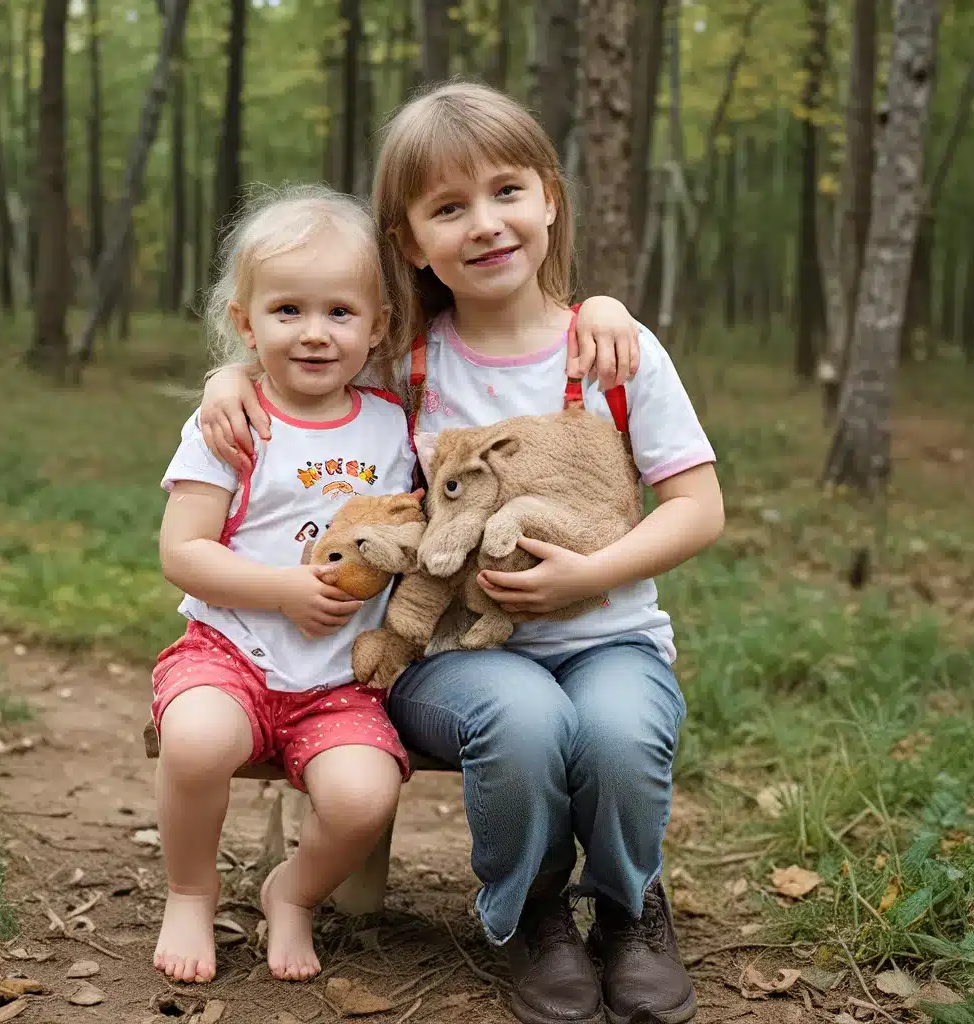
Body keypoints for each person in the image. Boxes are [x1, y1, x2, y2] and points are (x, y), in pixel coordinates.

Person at [200, 83, 724, 1024]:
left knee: (614, 731)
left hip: (612, 636)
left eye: (506, 192)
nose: (485, 225)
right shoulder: (405, 359)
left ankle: (628, 907)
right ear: (409, 242)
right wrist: (227, 376)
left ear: (550, 198)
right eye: (449, 208)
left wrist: (592, 574)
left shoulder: (613, 349)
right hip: (451, 658)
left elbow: (697, 507)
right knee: (525, 724)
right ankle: (529, 914)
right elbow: (299, 349)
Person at [151, 186, 418, 986]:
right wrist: (278, 591)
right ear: (245, 323)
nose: (314, 332)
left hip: (340, 682)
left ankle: (292, 894)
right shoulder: (231, 424)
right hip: (230, 652)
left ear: (377, 327)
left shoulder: (394, 424)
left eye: (340, 312)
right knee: (196, 740)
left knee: (363, 797)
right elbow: (183, 550)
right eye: (287, 311)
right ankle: (190, 890)